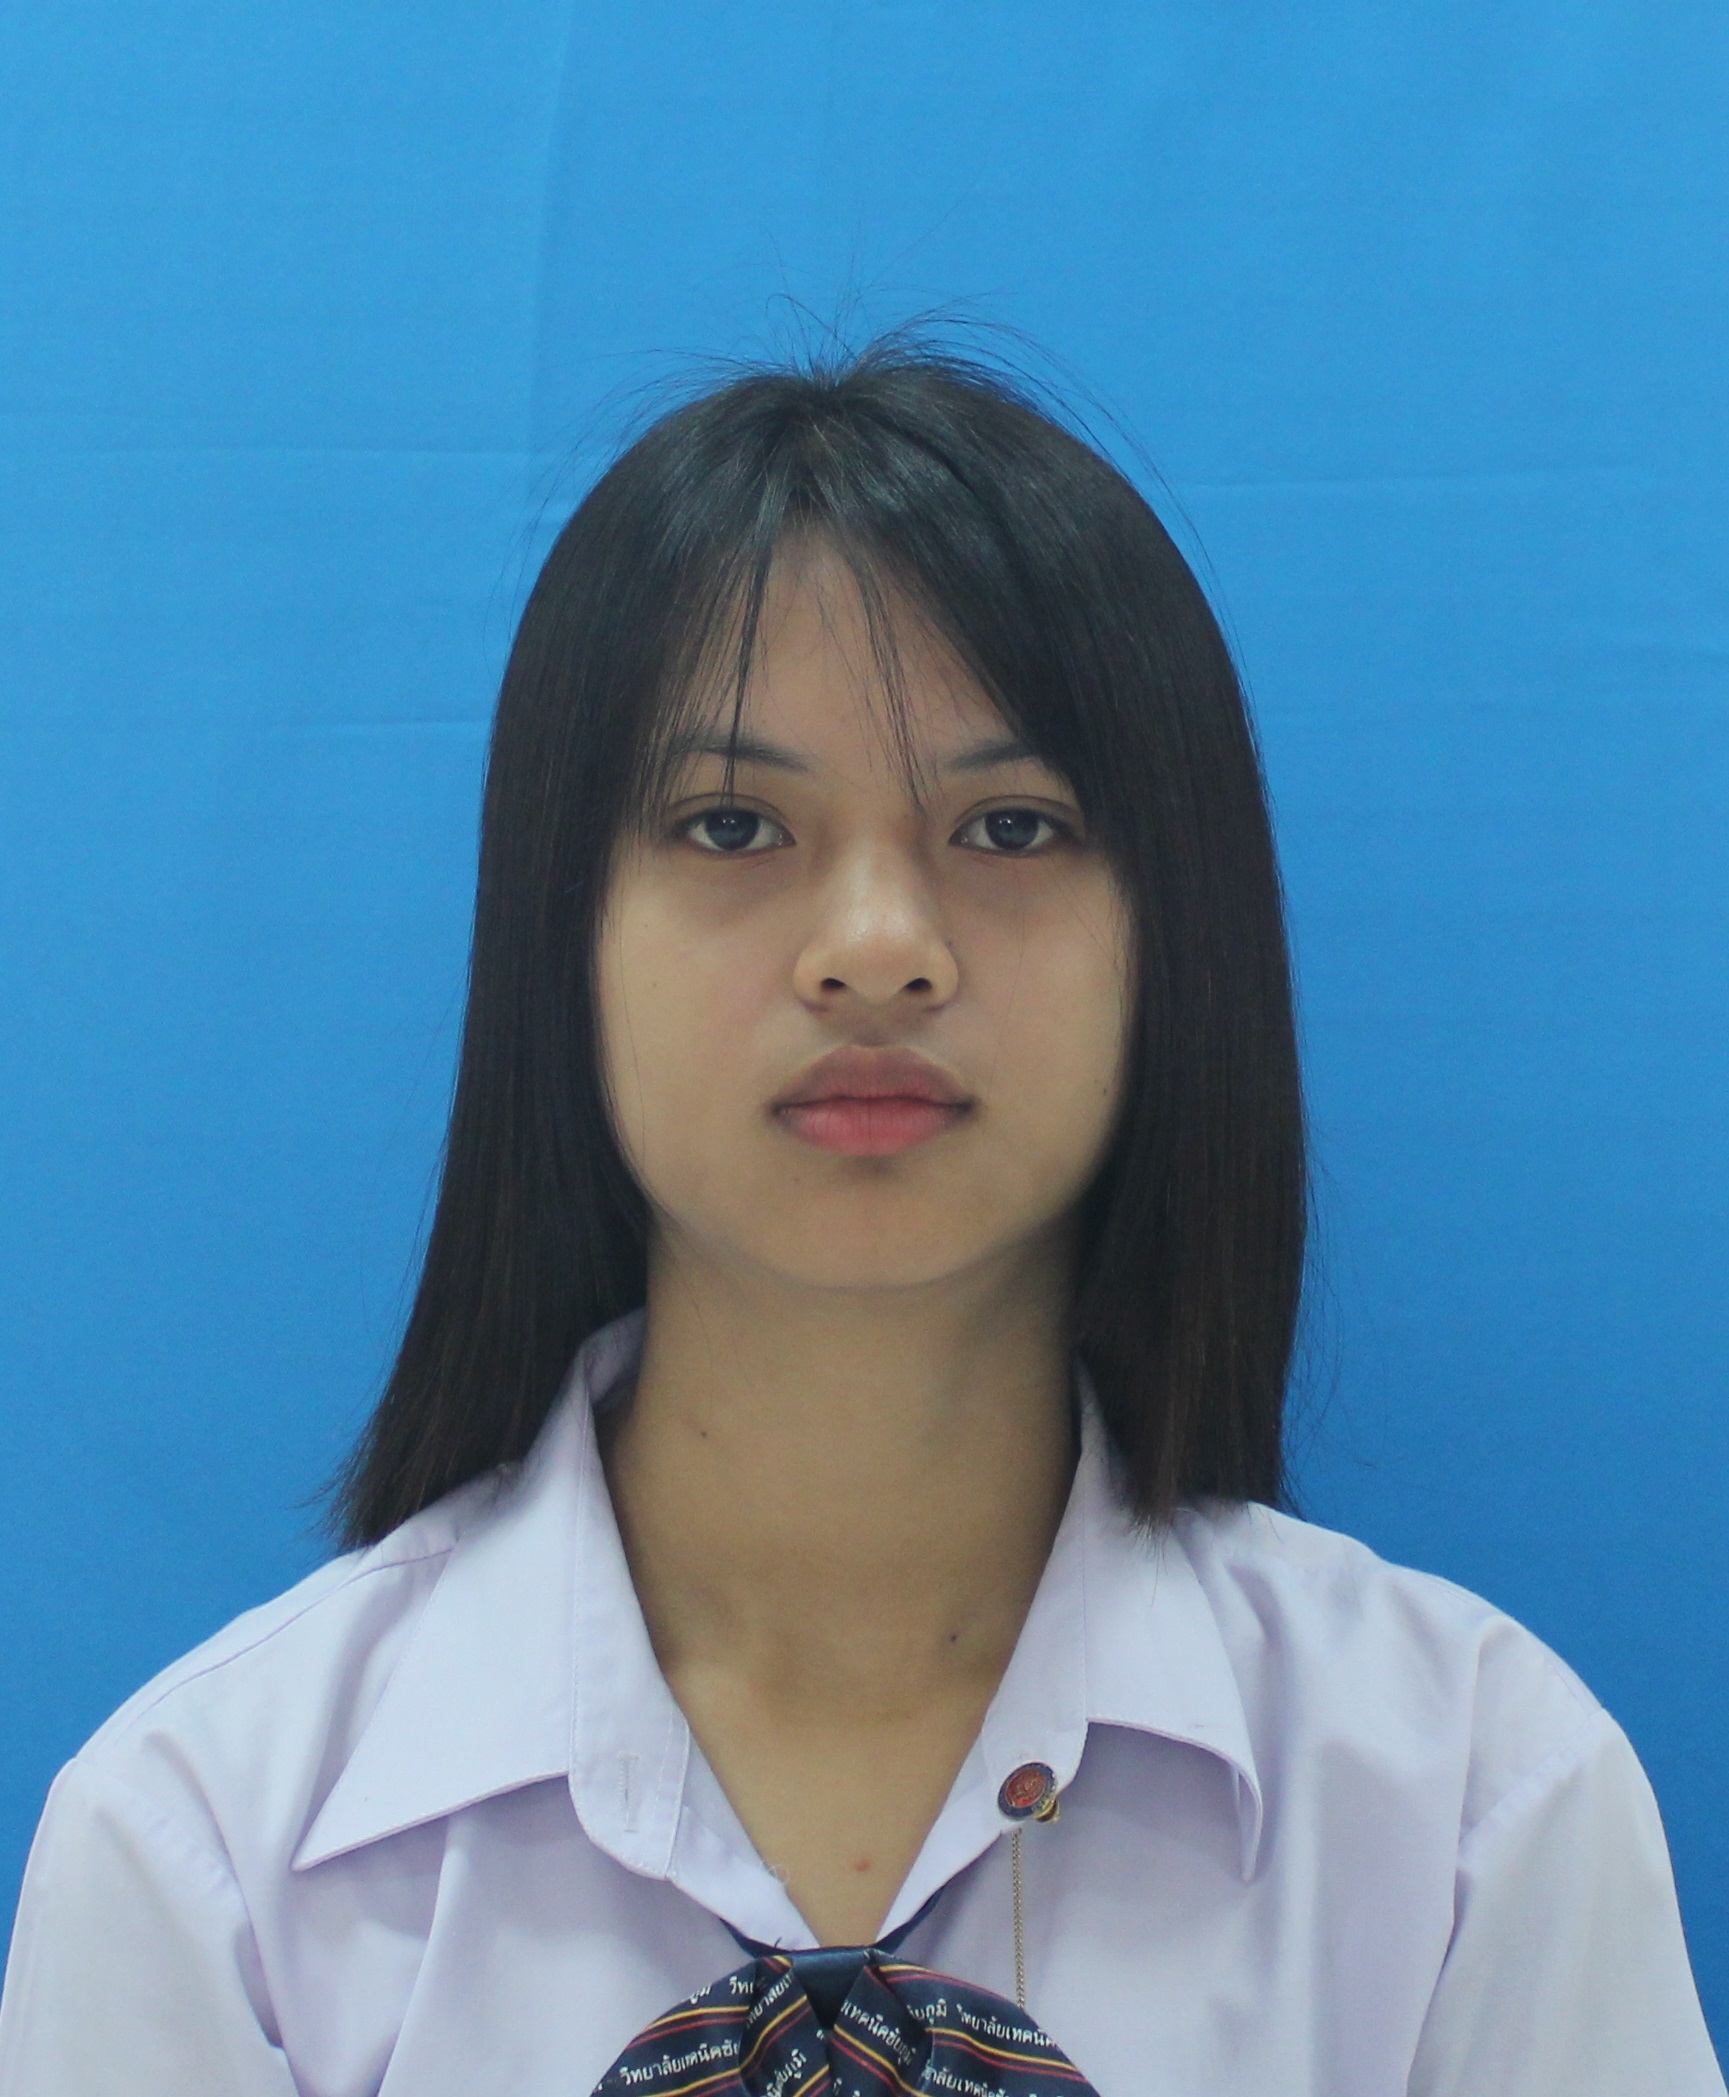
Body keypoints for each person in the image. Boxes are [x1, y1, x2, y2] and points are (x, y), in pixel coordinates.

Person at [0, 340, 1720, 2097]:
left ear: (1175, 941)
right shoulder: (216, 1861)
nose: (879, 945)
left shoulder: (1464, 1813)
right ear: (558, 939)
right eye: (732, 823)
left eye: (1011, 825)